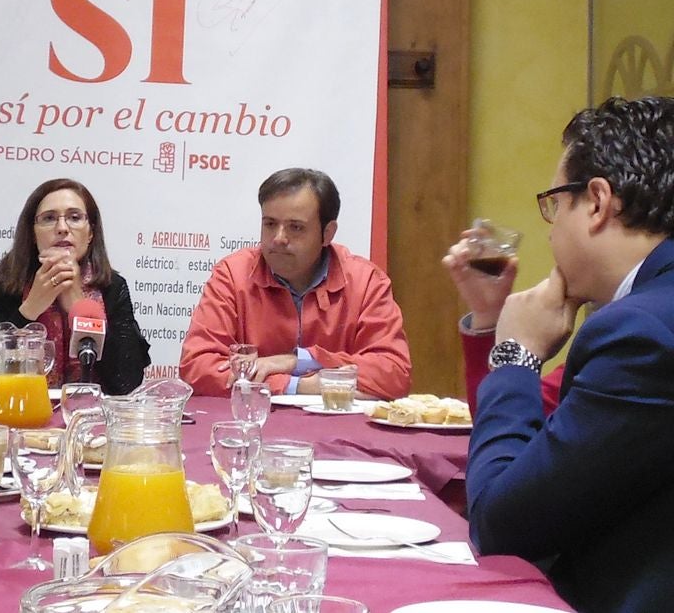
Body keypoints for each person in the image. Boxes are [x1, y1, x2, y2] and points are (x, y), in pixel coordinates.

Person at [464, 96, 674, 613]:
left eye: (555, 205)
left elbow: (501, 524)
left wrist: (515, 353)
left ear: (598, 202)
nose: (551, 229)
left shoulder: (640, 332)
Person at [180, 168, 411, 398]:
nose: (279, 238)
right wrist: (298, 386)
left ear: (327, 233)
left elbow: (394, 373)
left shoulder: (365, 281)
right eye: (270, 224)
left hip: (341, 430)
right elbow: (198, 368)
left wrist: (295, 361)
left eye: (296, 227)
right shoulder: (232, 275)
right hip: (255, 426)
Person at [0, 178, 151, 394]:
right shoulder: (10, 283)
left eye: (74, 217)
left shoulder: (111, 287)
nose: (62, 228)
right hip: (22, 413)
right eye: (49, 218)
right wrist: (30, 308)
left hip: (93, 417)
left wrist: (78, 306)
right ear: (33, 234)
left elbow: (127, 383)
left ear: (90, 233)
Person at [441, 228, 563, 416]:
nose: (551, 234)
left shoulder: (619, 345)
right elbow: (495, 420)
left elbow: (515, 431)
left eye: (558, 205)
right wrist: (488, 314)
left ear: (599, 207)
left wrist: (522, 352)